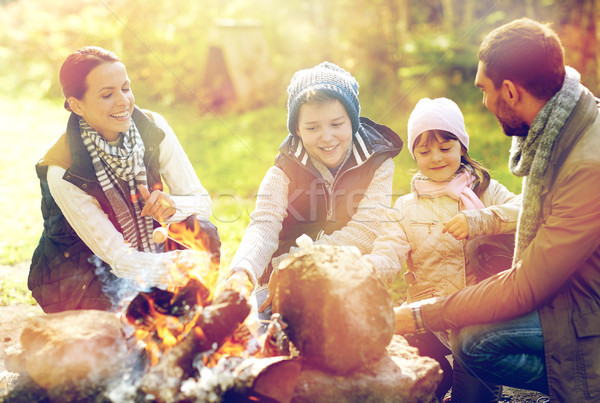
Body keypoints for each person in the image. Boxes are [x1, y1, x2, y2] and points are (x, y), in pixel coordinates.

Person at [393, 18, 600, 403]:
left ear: (509, 91)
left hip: (587, 307)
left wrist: (418, 315)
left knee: (474, 337)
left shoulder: (586, 164)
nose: (485, 103)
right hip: (577, 291)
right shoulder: (567, 134)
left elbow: (525, 285)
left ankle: (587, 383)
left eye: (484, 91)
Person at [29, 46, 219, 313]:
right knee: (127, 347)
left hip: (147, 250)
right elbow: (117, 257)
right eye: (107, 94)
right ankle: (164, 316)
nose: (123, 101)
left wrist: (174, 206)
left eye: (126, 88)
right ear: (76, 105)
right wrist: (175, 266)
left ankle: (191, 320)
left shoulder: (154, 127)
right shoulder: (63, 170)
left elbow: (202, 202)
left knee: (203, 230)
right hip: (84, 274)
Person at [365, 97, 520, 402]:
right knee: (401, 373)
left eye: (445, 148)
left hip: (478, 318)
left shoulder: (485, 192)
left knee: (475, 397)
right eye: (424, 151)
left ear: (462, 147)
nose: (435, 157)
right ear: (415, 155)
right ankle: (436, 380)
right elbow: (388, 251)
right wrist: (366, 269)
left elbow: (526, 206)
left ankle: (473, 385)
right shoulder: (406, 208)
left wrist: (480, 220)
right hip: (429, 318)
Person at [227, 61, 403, 323]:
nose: (327, 137)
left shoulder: (378, 163)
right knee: (251, 331)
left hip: (346, 279)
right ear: (297, 129)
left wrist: (296, 264)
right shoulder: (285, 168)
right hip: (281, 284)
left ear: (352, 121)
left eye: (336, 124)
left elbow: (366, 232)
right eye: (312, 127)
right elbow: (264, 224)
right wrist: (242, 272)